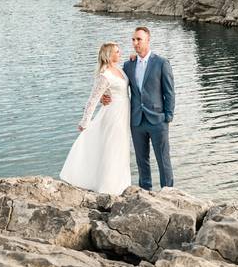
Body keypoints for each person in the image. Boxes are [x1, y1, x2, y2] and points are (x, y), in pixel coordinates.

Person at [103, 26, 175, 189]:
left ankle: (168, 194)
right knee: (142, 162)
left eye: (139, 39)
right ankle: (145, 194)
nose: (135, 43)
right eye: (133, 40)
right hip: (137, 121)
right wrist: (104, 96)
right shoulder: (129, 65)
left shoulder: (161, 63)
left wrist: (167, 117)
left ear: (148, 40)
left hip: (158, 120)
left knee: (163, 161)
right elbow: (115, 83)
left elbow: (169, 92)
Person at [59, 42, 132, 195]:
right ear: (109, 54)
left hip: (124, 112)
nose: (120, 53)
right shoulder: (104, 75)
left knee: (122, 147)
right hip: (113, 114)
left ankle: (121, 184)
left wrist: (133, 58)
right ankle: (108, 188)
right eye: (117, 52)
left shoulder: (119, 69)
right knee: (112, 147)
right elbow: (92, 99)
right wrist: (85, 121)